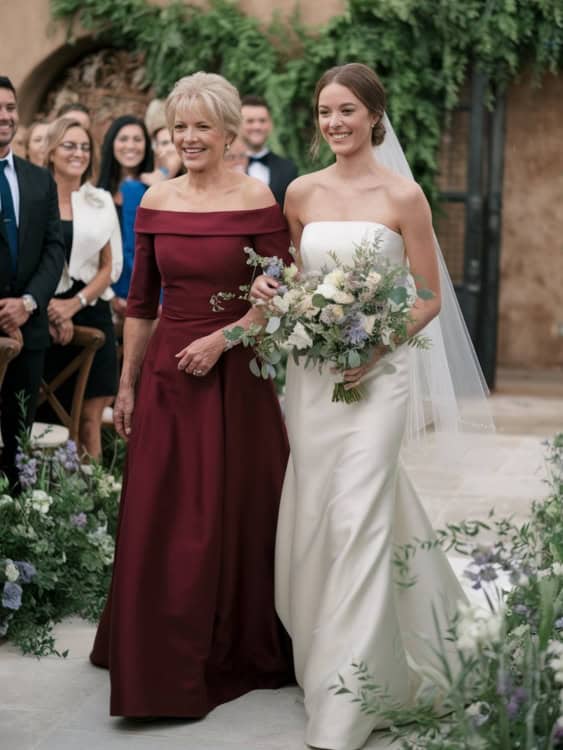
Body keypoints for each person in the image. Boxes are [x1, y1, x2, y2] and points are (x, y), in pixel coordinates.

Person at [250, 63, 485, 750]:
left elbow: (428, 296)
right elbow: (288, 275)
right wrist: (273, 292)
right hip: (313, 376)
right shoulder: (299, 192)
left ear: (374, 114)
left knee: (358, 513)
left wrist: (377, 347)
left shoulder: (403, 196)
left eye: (347, 110)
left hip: (378, 378)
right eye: (325, 111)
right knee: (323, 512)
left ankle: (347, 697)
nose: (334, 122)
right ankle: (377, 639)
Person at [90, 71, 294, 717]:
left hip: (237, 378)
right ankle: (155, 653)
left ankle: (230, 645)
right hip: (169, 377)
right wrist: (125, 383)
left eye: (202, 125)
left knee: (232, 512)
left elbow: (282, 294)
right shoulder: (154, 201)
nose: (189, 137)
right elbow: (142, 305)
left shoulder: (258, 198)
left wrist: (226, 338)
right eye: (180, 126)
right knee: (162, 514)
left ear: (230, 132)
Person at [40, 118, 122, 459]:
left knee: (89, 415)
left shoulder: (100, 201)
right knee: (45, 412)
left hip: (91, 307)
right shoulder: (35, 195)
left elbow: (110, 267)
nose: (79, 153)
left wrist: (74, 304)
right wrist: (50, 311)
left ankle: (94, 502)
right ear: (52, 151)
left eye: (85, 147)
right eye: (70, 145)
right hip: (42, 309)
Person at [0, 76, 65, 487]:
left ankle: (19, 534)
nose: (4, 116)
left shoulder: (40, 180)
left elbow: (54, 249)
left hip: (30, 326)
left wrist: (26, 303)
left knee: (18, 444)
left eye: (9, 108)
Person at [97, 115, 153, 322]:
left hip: (148, 299)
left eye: (137, 139)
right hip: (103, 295)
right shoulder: (96, 193)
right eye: (123, 139)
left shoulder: (156, 190)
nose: (131, 146)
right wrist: (110, 295)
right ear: (111, 143)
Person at [240, 94, 298, 207]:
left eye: (262, 121)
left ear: (270, 124)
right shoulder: (224, 166)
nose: (257, 126)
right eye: (250, 121)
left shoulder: (288, 168)